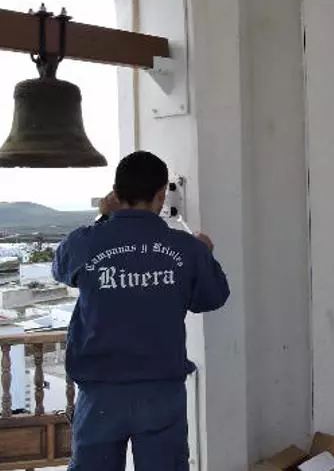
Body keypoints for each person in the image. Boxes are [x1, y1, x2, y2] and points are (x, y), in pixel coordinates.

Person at [53, 151, 230, 471]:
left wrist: (102, 218)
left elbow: (60, 269)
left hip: (100, 391)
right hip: (161, 390)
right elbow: (212, 298)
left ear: (115, 194)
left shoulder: (85, 242)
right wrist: (205, 255)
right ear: (161, 195)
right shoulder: (187, 248)